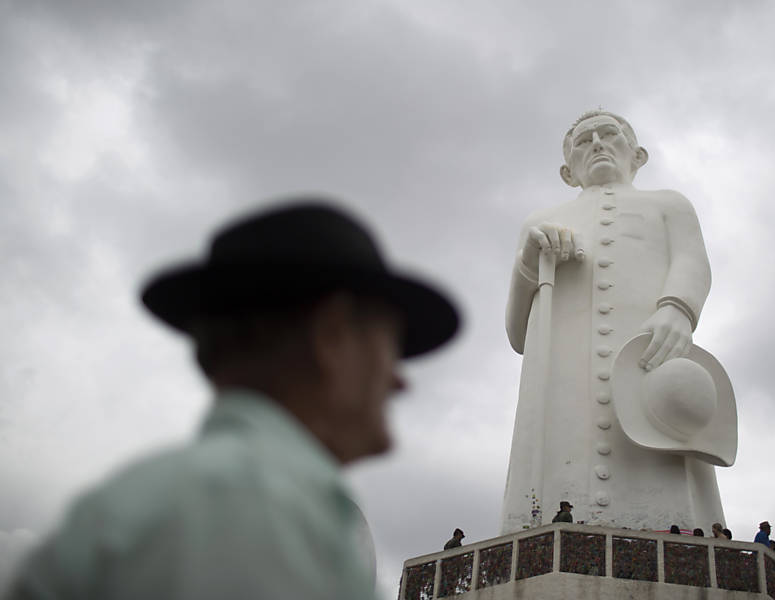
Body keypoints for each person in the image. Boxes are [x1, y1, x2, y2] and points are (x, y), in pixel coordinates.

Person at [4, 201, 459, 600]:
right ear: (332, 336)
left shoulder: (121, 506)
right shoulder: (258, 511)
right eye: (391, 350)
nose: (400, 382)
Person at [500, 109, 723, 534]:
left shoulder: (668, 204)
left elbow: (693, 261)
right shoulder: (539, 224)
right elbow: (516, 335)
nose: (597, 144)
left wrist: (678, 307)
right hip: (564, 381)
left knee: (662, 462)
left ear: (637, 154)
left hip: (649, 357)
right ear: (568, 171)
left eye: (609, 135)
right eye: (584, 141)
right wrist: (529, 263)